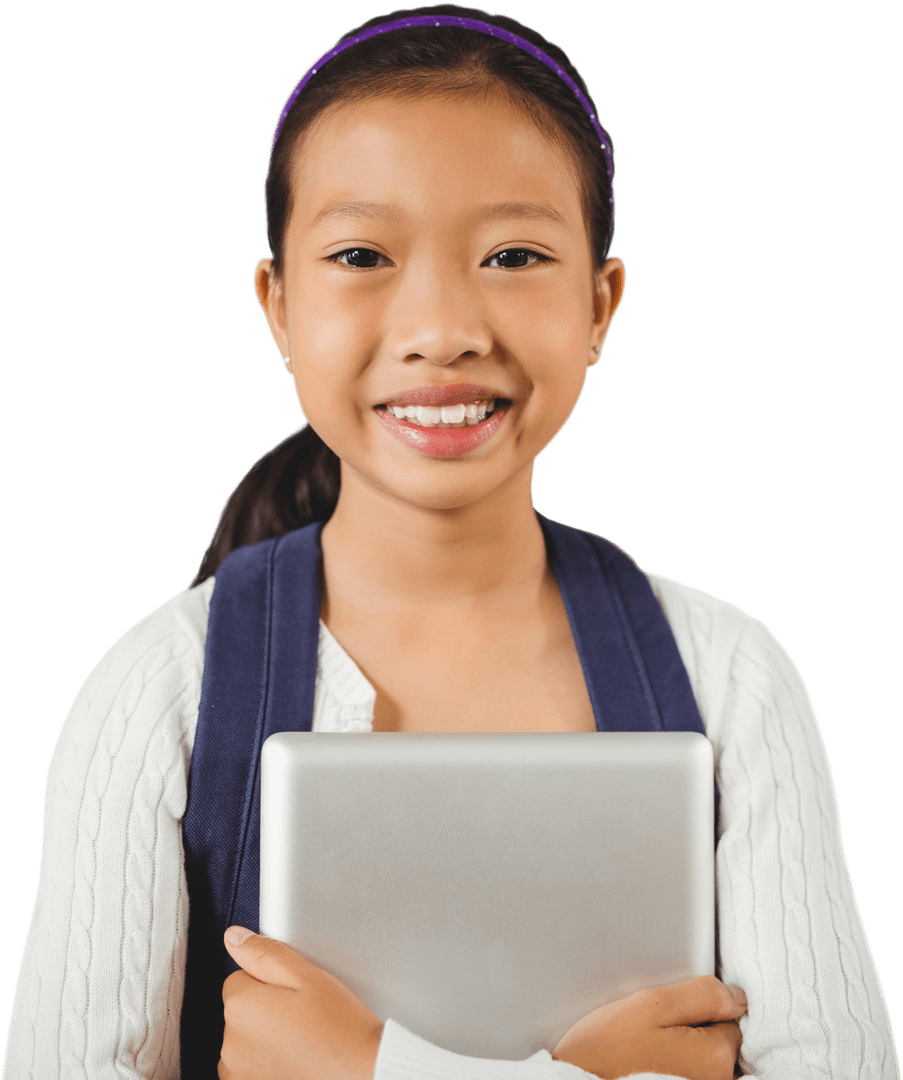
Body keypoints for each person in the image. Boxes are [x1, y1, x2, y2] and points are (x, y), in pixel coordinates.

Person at [3, 5, 898, 1079]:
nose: (442, 327)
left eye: (514, 254)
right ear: (278, 307)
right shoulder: (157, 692)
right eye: (363, 254)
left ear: (600, 304)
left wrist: (372, 1066)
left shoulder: (734, 682)